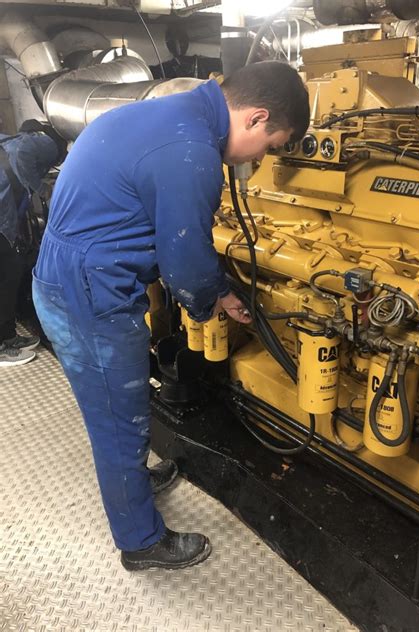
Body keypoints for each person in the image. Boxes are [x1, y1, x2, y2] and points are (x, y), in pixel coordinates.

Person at [33, 61, 310, 570]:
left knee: (123, 406)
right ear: (255, 117)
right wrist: (211, 301)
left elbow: (172, 237)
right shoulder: (191, 151)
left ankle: (133, 481)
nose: (261, 159)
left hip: (72, 274)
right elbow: (184, 261)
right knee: (120, 417)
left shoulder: (171, 115)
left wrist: (218, 290)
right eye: (271, 145)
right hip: (87, 292)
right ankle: (140, 542)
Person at [0, 120, 66, 366]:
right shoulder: (45, 142)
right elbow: (22, 158)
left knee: (10, 271)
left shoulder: (13, 139)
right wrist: (41, 189)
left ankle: (8, 336)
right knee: (6, 274)